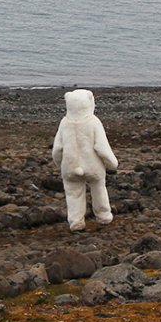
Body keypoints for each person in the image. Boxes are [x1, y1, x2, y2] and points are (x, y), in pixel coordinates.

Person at [52, 89, 118, 231]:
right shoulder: (93, 122)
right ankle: (104, 215)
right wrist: (112, 163)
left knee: (73, 193)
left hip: (70, 166)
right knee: (98, 188)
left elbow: (57, 148)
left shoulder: (64, 123)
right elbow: (101, 147)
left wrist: (60, 164)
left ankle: (76, 221)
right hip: (92, 165)